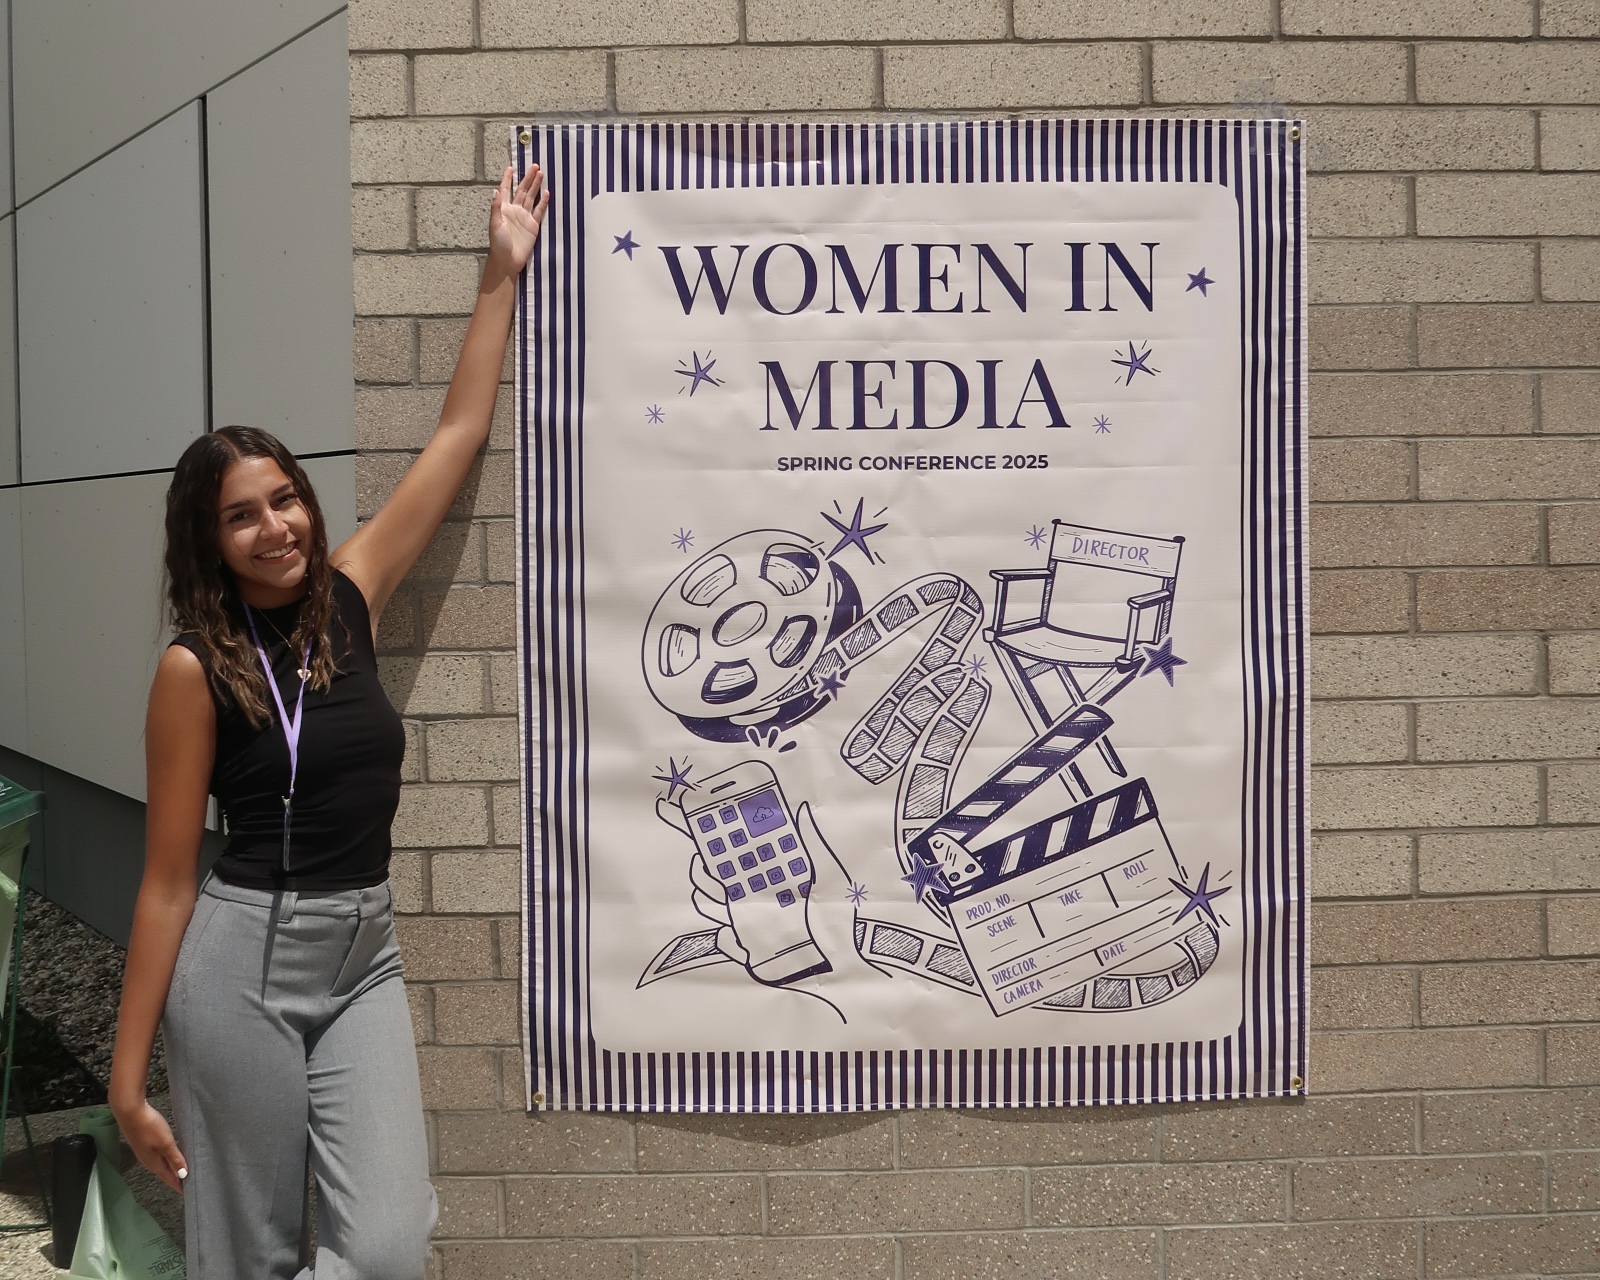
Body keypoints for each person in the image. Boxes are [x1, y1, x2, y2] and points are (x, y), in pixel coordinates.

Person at [108, 162, 548, 1279]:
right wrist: (126, 1078)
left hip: (363, 950)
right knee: (248, 1252)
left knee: (392, 1248)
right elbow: (165, 879)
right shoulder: (191, 667)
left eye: (285, 497)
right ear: (210, 542)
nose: (274, 527)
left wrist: (499, 272)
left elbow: (455, 438)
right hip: (242, 955)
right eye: (241, 517)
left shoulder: (351, 592)